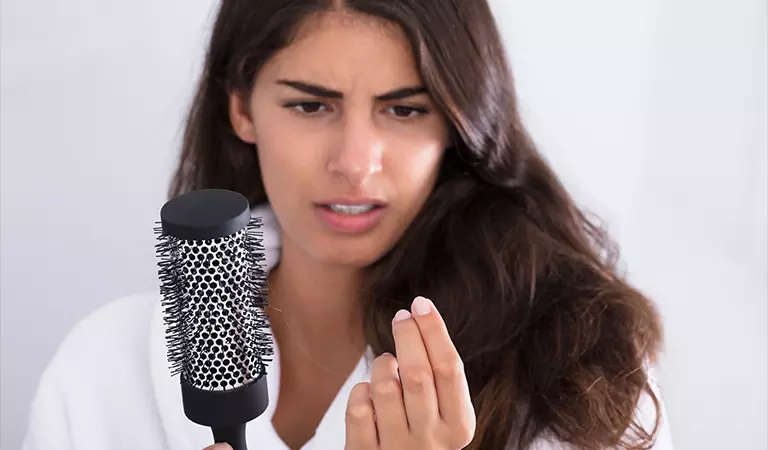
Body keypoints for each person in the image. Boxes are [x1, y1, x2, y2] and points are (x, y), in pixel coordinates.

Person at [21, 0, 676, 449]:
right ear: (242, 109)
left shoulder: (575, 370)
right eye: (310, 105)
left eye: (403, 111)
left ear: (458, 123)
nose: (354, 163)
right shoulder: (102, 370)